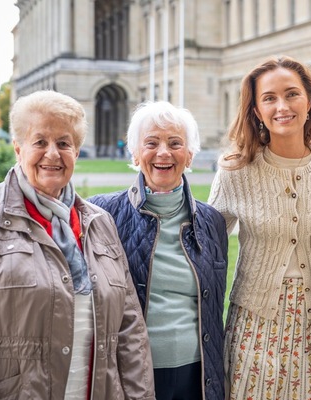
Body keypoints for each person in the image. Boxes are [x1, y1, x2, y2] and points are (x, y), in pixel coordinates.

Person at [0, 90, 155, 399]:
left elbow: (130, 328)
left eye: (63, 143)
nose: (52, 154)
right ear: (18, 148)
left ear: (76, 152)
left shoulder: (99, 222)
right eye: (39, 142)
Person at [208, 55, 311, 399]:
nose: (282, 106)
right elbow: (204, 248)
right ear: (256, 110)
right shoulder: (235, 171)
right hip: (256, 324)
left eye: (292, 94)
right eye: (269, 98)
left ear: (309, 102)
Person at [89, 101, 229, 400]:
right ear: (135, 153)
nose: (163, 152)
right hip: (131, 371)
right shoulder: (102, 213)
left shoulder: (212, 221)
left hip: (198, 374)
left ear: (189, 155)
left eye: (175, 143)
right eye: (151, 143)